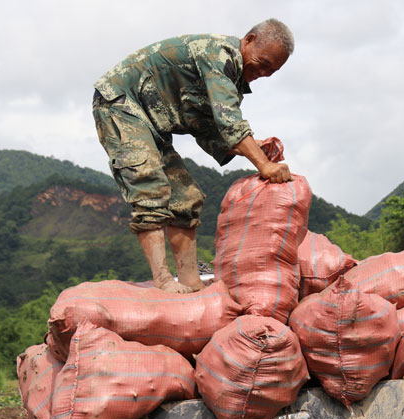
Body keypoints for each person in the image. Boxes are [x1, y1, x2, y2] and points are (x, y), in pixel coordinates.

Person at [92, 19, 294, 293]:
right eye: (263, 62)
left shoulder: (232, 78)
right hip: (121, 103)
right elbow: (230, 121)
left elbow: (211, 129)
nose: (264, 72)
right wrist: (264, 164)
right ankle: (163, 280)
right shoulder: (219, 56)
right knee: (150, 185)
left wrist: (256, 148)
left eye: (273, 70)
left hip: (153, 122)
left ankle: (190, 281)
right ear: (248, 40)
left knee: (186, 200)